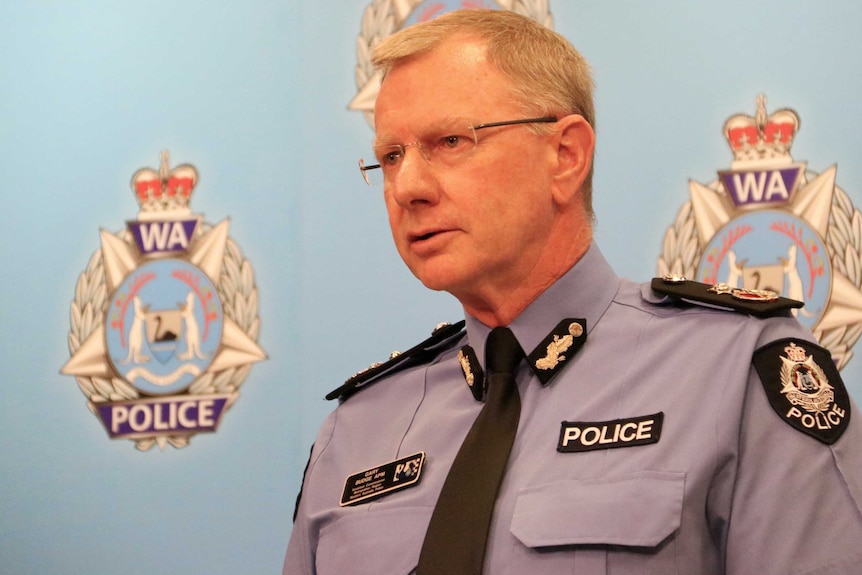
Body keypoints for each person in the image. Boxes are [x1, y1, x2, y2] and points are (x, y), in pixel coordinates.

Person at [284, 9, 862, 575]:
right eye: (390, 156)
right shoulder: (357, 430)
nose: (407, 186)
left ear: (566, 156)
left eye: (451, 141)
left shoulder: (735, 372)